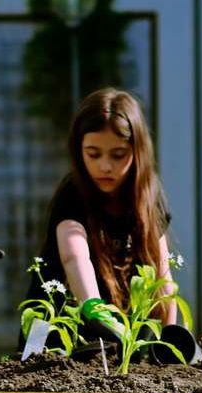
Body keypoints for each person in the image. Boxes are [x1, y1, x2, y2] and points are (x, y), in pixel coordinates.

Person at [22, 88, 177, 351]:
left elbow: (163, 277)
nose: (105, 166)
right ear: (78, 149)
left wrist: (171, 337)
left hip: (114, 337)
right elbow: (74, 256)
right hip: (53, 328)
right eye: (93, 154)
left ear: (137, 151)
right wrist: (92, 305)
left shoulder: (148, 196)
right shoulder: (72, 193)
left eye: (118, 155)